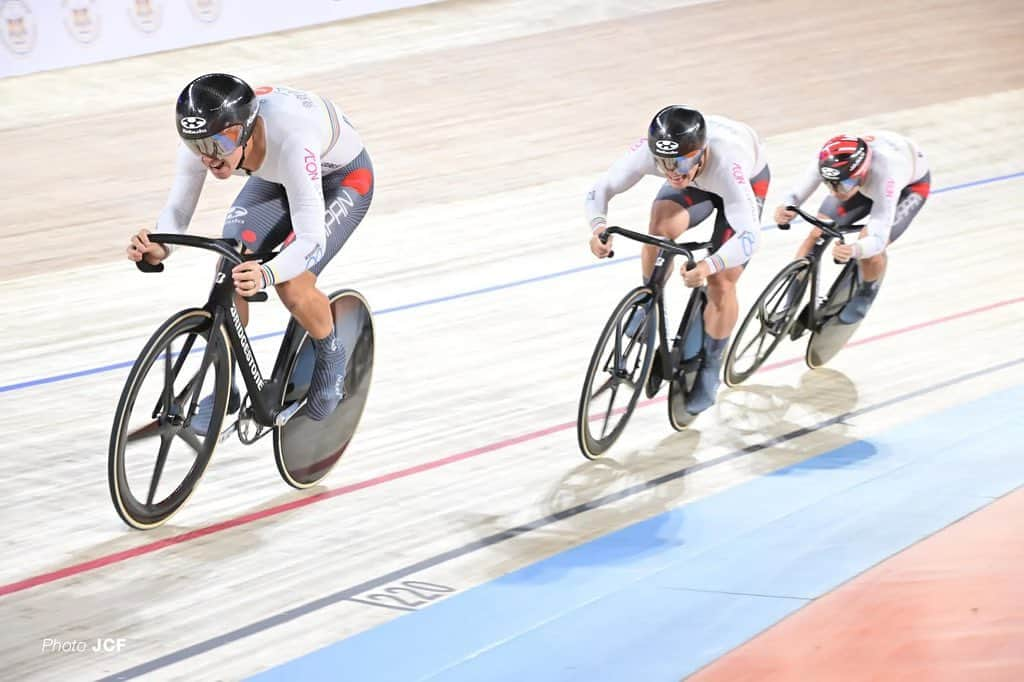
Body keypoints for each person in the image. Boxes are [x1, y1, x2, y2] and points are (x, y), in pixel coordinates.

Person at [126, 73, 375, 434]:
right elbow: (177, 215)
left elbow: (311, 241)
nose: (210, 157)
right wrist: (159, 246)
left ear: (245, 129)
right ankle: (225, 383)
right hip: (279, 177)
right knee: (231, 258)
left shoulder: (292, 139)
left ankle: (332, 352)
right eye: (199, 146)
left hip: (342, 180)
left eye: (221, 144)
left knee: (291, 284)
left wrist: (268, 273)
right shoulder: (205, 140)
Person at [585, 105, 770, 415]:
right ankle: (649, 304)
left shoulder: (728, 165)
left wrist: (710, 264)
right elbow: (601, 187)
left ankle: (711, 364)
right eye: (664, 163)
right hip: (700, 182)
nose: (672, 172)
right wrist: (598, 227)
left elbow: (751, 237)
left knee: (722, 281)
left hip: (745, 183)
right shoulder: (656, 154)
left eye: (681, 162)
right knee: (659, 229)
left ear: (701, 152)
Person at [774, 133, 930, 326]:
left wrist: (855, 250)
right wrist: (786, 207)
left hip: (909, 188)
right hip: (865, 181)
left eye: (843, 185)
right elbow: (795, 193)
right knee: (816, 233)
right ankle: (787, 306)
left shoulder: (887, 176)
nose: (836, 192)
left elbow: (878, 238)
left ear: (861, 174)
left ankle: (867, 289)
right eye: (829, 184)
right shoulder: (829, 161)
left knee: (869, 246)